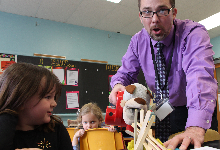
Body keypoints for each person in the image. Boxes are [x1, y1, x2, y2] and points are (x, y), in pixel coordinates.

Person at [109, 0, 218, 149]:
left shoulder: (193, 33)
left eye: (162, 10)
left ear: (173, 13)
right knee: (162, 145)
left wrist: (195, 127)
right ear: (140, 17)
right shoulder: (137, 42)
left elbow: (199, 77)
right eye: (147, 12)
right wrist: (118, 84)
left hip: (193, 107)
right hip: (163, 108)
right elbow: (125, 74)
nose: (154, 19)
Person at [0, 63, 73, 150]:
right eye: (48, 97)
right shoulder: (4, 129)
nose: (54, 104)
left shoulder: (56, 130)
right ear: (21, 99)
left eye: (54, 97)